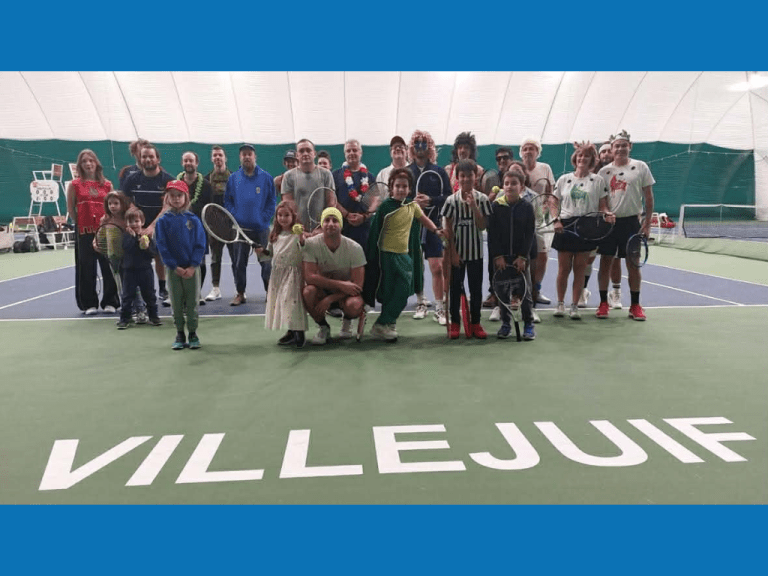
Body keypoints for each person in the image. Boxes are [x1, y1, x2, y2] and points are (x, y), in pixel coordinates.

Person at [363, 168, 442, 342]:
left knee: (405, 289)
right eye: (397, 186)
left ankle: (382, 323)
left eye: (404, 186)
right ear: (391, 187)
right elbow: (375, 231)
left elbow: (424, 219)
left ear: (409, 188)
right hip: (387, 257)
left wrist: (436, 230)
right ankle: (387, 324)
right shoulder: (385, 207)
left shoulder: (412, 206)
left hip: (404, 256)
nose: (401, 189)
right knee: (389, 292)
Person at [596, 130, 655, 321]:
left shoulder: (640, 167)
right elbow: (601, 200)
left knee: (633, 265)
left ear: (630, 146)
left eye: (624, 145)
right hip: (609, 224)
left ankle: (635, 306)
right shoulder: (603, 172)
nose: (620, 149)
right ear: (611, 149)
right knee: (605, 263)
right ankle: (604, 303)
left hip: (632, 223)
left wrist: (646, 225)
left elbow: (648, 197)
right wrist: (605, 212)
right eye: (616, 146)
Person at [551, 142, 612, 319]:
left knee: (580, 269)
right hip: (566, 225)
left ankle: (574, 306)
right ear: (575, 159)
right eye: (579, 155)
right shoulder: (564, 179)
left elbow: (603, 206)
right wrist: (556, 220)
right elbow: (554, 203)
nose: (582, 159)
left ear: (592, 160)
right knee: (563, 269)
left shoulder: (598, 181)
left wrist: (608, 214)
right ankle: (560, 304)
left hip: (588, 227)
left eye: (586, 156)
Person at [441, 159, 492, 339]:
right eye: (462, 176)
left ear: (475, 177)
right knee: (455, 290)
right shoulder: (450, 201)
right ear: (457, 178)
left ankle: (476, 323)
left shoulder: (483, 199)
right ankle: (455, 323)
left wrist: (474, 208)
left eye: (469, 175)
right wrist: (453, 254)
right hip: (457, 255)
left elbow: (482, 226)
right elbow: (448, 230)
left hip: (475, 255)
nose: (466, 179)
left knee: (476, 290)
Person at [66, 149, 120, 315]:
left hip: (105, 231)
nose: (88, 164)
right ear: (80, 166)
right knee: (86, 268)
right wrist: (82, 224)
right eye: (84, 161)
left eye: (91, 160)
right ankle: (89, 303)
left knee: (108, 267)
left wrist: (108, 226)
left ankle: (110, 302)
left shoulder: (107, 184)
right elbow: (71, 208)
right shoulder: (74, 185)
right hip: (85, 232)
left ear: (97, 163)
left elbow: (112, 207)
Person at [302, 207, 367, 345]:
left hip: (346, 294)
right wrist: (340, 285)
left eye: (335, 220)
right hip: (326, 290)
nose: (330, 224)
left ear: (341, 226)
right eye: (327, 220)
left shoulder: (355, 248)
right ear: (322, 224)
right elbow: (309, 277)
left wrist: (331, 299)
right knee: (308, 292)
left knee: (354, 305)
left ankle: (348, 319)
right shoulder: (311, 245)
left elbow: (358, 285)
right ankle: (323, 327)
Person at [155, 181, 207, 350]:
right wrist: (174, 266)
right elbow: (162, 246)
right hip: (173, 270)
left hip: (192, 270)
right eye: (172, 196)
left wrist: (192, 266)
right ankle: (179, 333)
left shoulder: (194, 220)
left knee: (192, 303)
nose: (176, 199)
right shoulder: (163, 221)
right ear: (167, 198)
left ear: (186, 197)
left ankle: (193, 333)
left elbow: (200, 244)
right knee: (176, 303)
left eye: (179, 195)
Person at [121, 143, 175, 305]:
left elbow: (168, 205)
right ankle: (140, 297)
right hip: (139, 226)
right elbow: (126, 200)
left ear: (157, 159)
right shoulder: (131, 179)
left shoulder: (168, 179)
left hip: (161, 225)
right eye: (144, 156)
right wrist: (137, 220)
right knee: (139, 262)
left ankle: (164, 289)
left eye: (151, 156)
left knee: (161, 258)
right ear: (140, 159)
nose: (148, 159)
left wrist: (151, 227)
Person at [407, 129, 452, 325]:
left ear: (430, 147)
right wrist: (413, 203)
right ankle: (421, 303)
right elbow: (398, 196)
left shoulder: (440, 172)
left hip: (434, 226)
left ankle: (440, 308)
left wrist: (431, 200)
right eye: (417, 143)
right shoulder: (407, 172)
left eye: (424, 143)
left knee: (437, 267)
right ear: (412, 147)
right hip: (412, 227)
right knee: (417, 268)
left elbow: (449, 198)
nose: (420, 147)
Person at [488, 171, 536, 340]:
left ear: (521, 187)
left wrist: (523, 257)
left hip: (520, 260)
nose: (510, 186)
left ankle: (529, 324)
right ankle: (506, 323)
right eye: (507, 183)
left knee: (525, 292)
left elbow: (530, 234)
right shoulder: (495, 207)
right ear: (503, 186)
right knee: (502, 293)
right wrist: (498, 256)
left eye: (514, 183)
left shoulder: (527, 207)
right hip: (501, 260)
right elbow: (492, 235)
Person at [224, 144, 275, 306]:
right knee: (239, 263)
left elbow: (272, 202)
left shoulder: (266, 177)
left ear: (255, 157)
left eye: (249, 154)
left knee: (266, 262)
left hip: (261, 230)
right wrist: (236, 217)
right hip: (240, 230)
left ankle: (270, 293)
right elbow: (227, 201)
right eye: (243, 154)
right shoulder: (233, 178)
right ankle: (240, 293)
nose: (247, 157)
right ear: (240, 158)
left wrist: (263, 219)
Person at [257, 201, 308, 348]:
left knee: (291, 303)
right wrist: (261, 252)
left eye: (287, 215)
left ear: (294, 216)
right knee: (283, 304)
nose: (283, 218)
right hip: (277, 275)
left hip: (293, 275)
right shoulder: (274, 235)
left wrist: (301, 237)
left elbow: (304, 248)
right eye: (280, 215)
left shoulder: (297, 234)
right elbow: (270, 254)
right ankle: (291, 332)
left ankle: (299, 332)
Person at [520, 137, 556, 309]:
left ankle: (536, 289)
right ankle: (520, 291)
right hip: (521, 219)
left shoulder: (545, 168)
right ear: (521, 153)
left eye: (531, 148)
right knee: (523, 256)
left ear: (537, 152)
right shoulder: (518, 169)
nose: (528, 151)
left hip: (542, 219)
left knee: (542, 255)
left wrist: (549, 212)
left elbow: (550, 194)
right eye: (525, 148)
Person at [580, 141, 616, 308]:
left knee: (612, 260)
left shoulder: (618, 172)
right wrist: (585, 150)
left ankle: (614, 293)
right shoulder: (595, 172)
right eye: (603, 152)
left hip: (613, 222)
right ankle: (583, 290)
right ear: (598, 156)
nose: (607, 154)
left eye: (610, 151)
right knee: (589, 260)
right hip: (593, 224)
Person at [116, 207, 162, 330]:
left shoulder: (147, 236)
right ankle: (124, 319)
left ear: (142, 222)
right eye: (131, 222)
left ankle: (154, 316)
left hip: (145, 271)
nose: (134, 224)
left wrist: (146, 246)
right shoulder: (126, 237)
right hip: (129, 271)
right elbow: (127, 248)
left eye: (136, 221)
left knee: (150, 295)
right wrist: (134, 238)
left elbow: (153, 253)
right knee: (127, 296)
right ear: (127, 223)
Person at [482, 146, 516, 310]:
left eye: (505, 157)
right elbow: (486, 206)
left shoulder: (517, 178)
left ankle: (517, 294)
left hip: (515, 231)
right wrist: (490, 199)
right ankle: (494, 293)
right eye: (499, 158)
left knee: (516, 264)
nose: (502, 161)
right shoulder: (492, 179)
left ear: (512, 159)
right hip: (495, 230)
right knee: (494, 264)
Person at [178, 151, 213, 304]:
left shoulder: (205, 185)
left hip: (199, 230)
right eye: (185, 160)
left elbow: (210, 209)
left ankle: (197, 292)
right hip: (180, 230)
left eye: (191, 160)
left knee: (200, 262)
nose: (188, 163)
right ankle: (182, 294)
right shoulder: (177, 184)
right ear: (182, 163)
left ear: (197, 163)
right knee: (182, 261)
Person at [282, 138, 337, 231]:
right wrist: (299, 229)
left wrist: (321, 228)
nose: (305, 153)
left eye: (308, 150)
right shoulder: (288, 176)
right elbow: (288, 206)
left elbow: (331, 203)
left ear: (314, 154)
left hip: (322, 231)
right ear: (297, 155)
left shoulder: (326, 174)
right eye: (301, 151)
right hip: (297, 231)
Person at [332, 139, 375, 248]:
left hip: (364, 231)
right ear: (345, 154)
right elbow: (332, 199)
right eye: (348, 151)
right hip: (341, 229)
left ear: (360, 153)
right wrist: (346, 214)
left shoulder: (369, 177)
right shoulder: (335, 175)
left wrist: (364, 217)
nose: (351, 153)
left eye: (354, 150)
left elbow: (375, 201)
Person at [203, 145, 232, 302]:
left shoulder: (234, 178)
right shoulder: (206, 180)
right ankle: (215, 288)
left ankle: (239, 290)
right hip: (214, 226)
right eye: (215, 155)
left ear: (225, 157)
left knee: (236, 259)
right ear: (212, 159)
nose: (217, 158)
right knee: (215, 259)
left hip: (232, 225)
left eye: (220, 155)